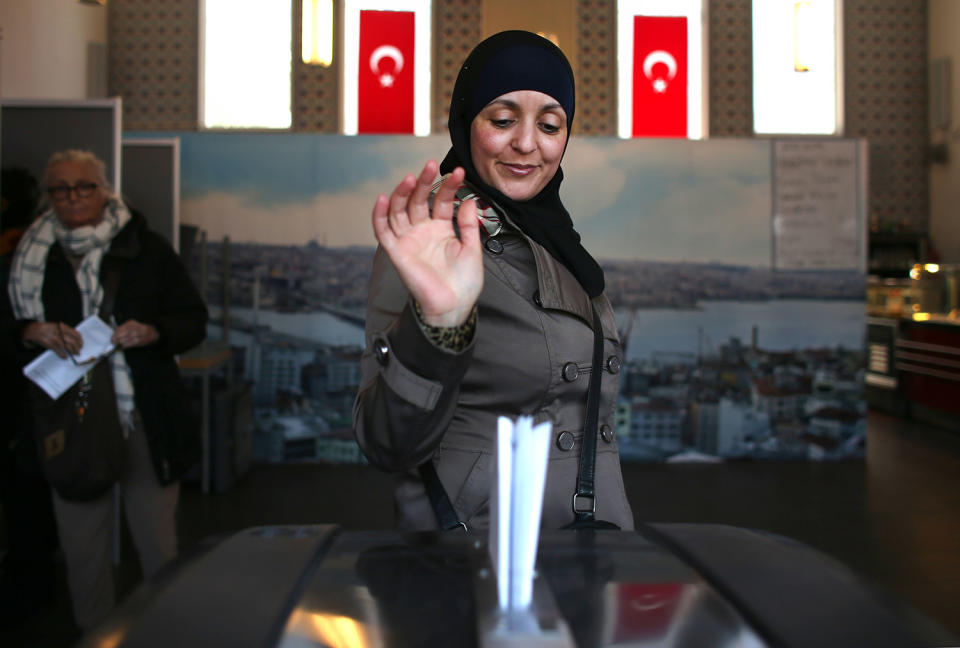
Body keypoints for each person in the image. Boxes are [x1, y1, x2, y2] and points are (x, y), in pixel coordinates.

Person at [353, 31, 634, 531]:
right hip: (482, 553)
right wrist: (439, 326)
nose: (526, 143)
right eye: (502, 120)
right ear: (466, 122)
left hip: (582, 545)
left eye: (550, 124)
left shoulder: (550, 234)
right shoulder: (431, 237)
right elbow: (385, 442)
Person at [1, 149, 208, 632]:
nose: (73, 198)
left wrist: (153, 333)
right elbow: (6, 327)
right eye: (60, 190)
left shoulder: (148, 249)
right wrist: (30, 332)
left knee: (158, 545)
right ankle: (96, 636)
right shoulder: (27, 257)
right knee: (82, 547)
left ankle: (163, 635)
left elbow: (191, 319)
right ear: (48, 196)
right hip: (67, 419)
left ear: (104, 189)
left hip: (143, 416)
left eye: (84, 187)